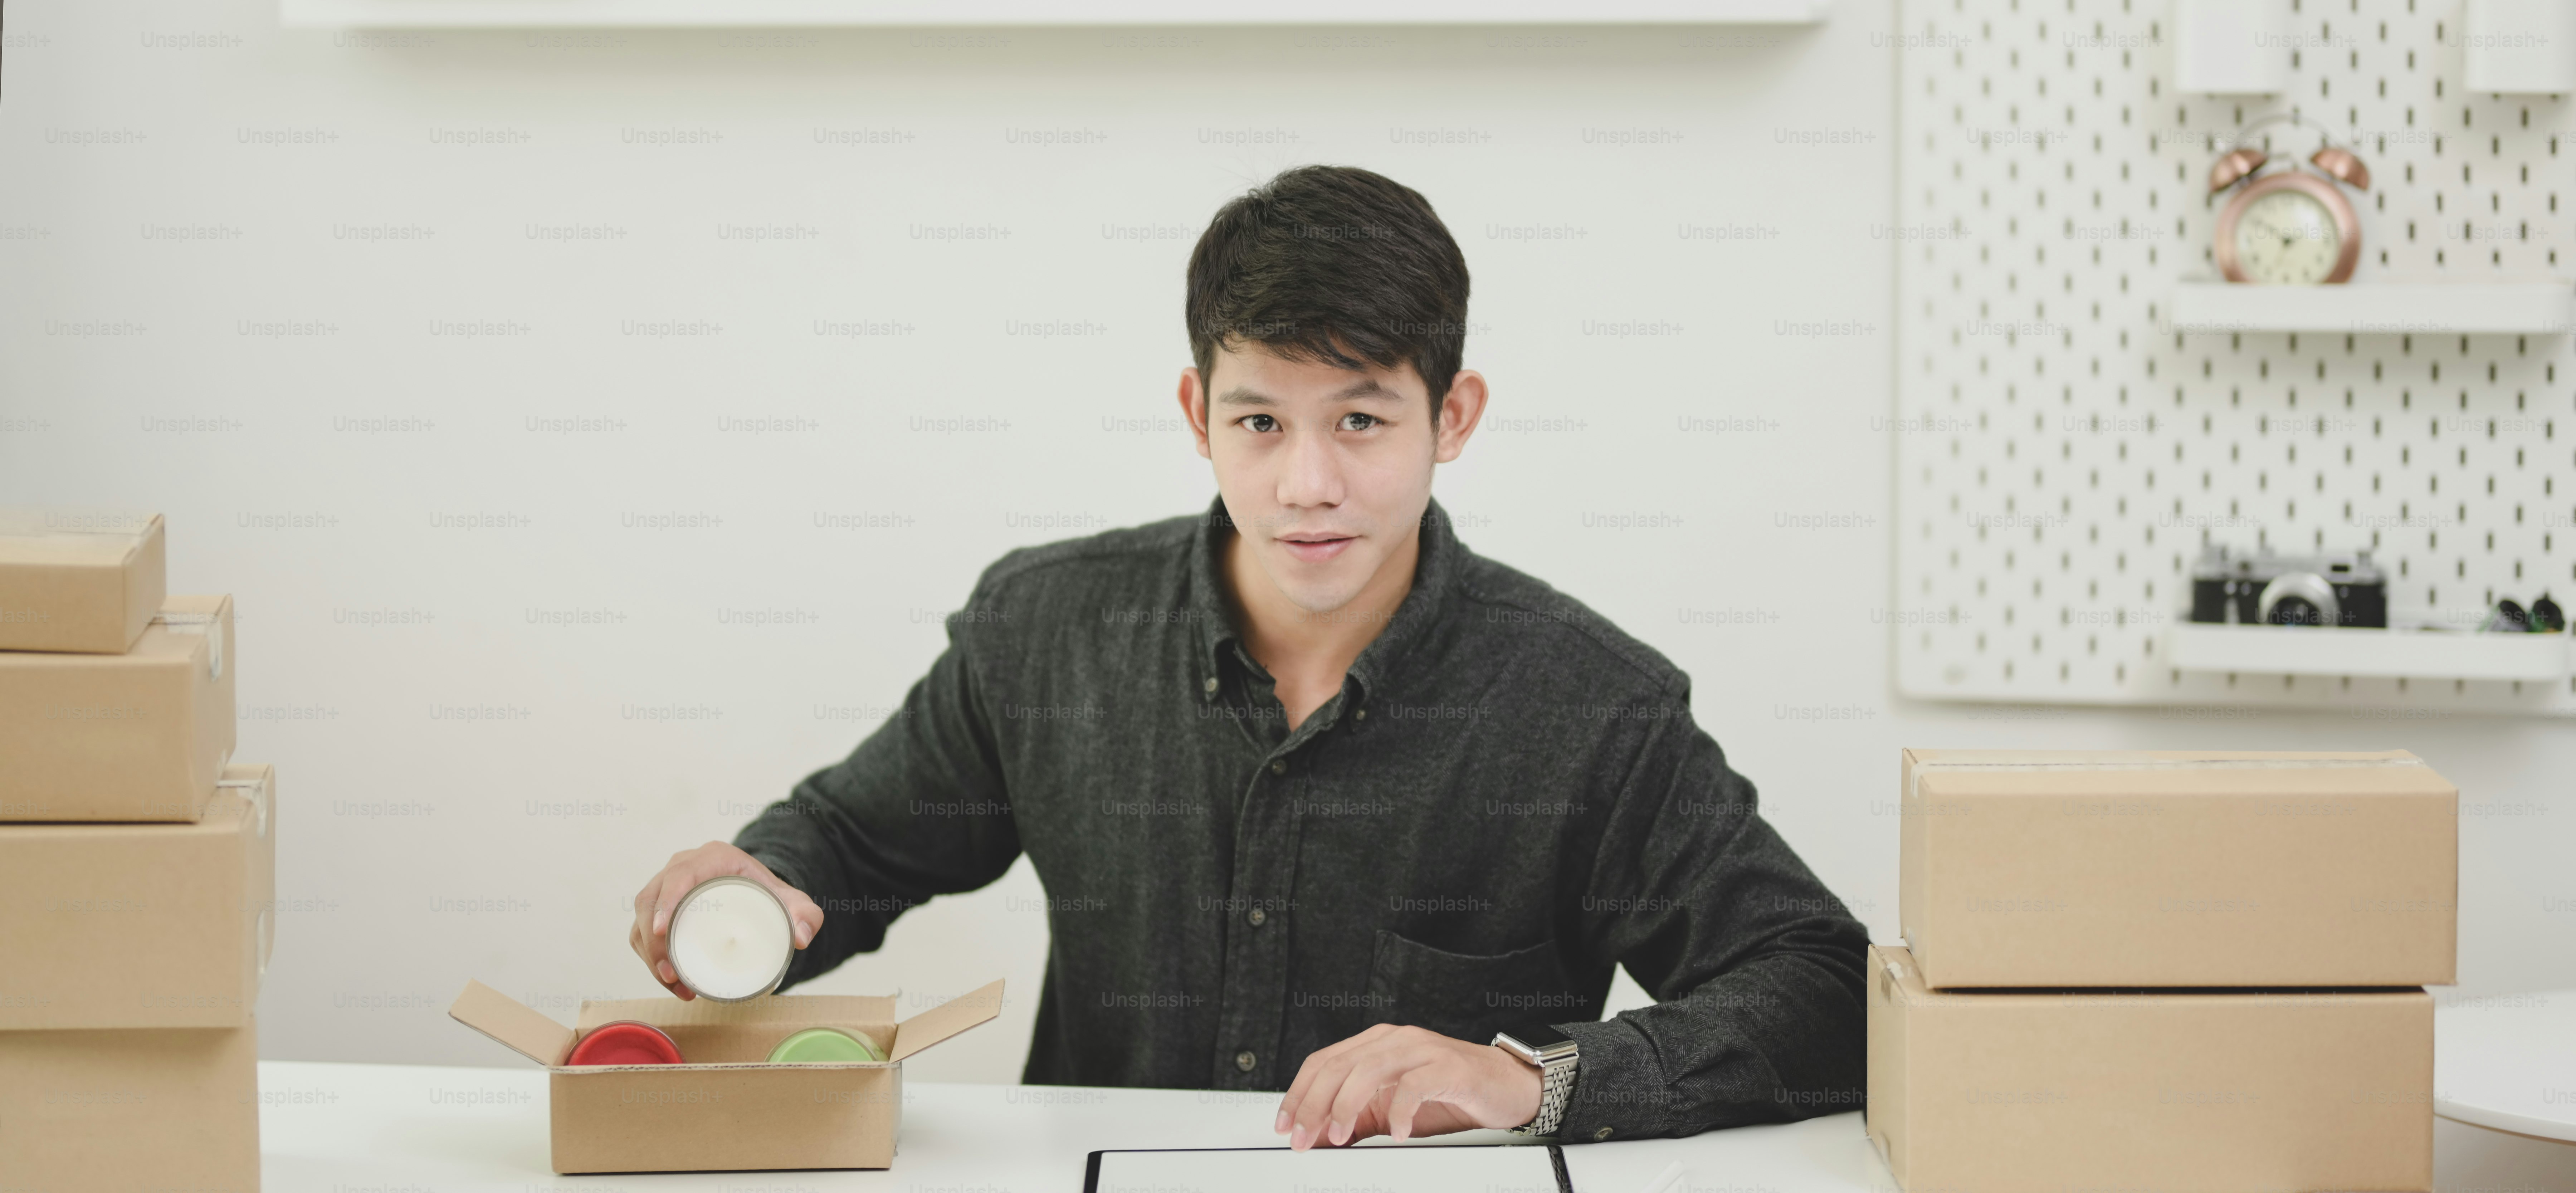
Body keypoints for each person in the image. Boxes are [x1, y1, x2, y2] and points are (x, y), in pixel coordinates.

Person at [629, 165, 1867, 1147]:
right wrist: (753, 893)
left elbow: (1823, 989)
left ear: (1454, 417)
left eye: (1364, 421)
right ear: (1195, 413)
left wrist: (1525, 1077)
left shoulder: (1591, 706)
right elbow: (849, 847)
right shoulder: (1045, 629)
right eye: (1259, 421)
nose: (1307, 484)